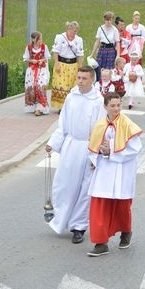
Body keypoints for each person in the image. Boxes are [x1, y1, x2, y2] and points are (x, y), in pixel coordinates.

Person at [45, 65, 105, 244]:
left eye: (84, 78)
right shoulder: (71, 97)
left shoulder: (98, 101)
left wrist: (96, 154)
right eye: (78, 78)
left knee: (84, 190)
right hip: (71, 146)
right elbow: (62, 123)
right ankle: (60, 217)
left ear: (92, 79)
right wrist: (53, 143)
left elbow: (100, 129)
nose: (80, 81)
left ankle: (78, 226)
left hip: (87, 147)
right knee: (64, 185)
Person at [86, 92, 143, 257]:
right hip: (104, 170)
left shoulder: (128, 124)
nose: (116, 108)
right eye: (112, 105)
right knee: (99, 204)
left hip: (121, 170)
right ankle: (100, 242)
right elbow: (92, 148)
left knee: (122, 206)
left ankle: (126, 232)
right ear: (105, 106)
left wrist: (110, 147)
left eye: (119, 105)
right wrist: (98, 154)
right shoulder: (99, 125)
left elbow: (134, 148)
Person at [51, 21, 84, 111]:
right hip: (62, 64)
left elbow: (80, 54)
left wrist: (80, 67)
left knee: (72, 86)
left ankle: (71, 106)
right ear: (68, 29)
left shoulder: (78, 40)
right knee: (62, 85)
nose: (75, 33)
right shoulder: (60, 37)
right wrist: (57, 63)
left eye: (76, 31)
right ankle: (61, 107)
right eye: (74, 31)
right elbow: (56, 51)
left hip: (73, 65)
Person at [23, 31, 51, 116]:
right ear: (34, 39)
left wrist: (41, 60)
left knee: (40, 86)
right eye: (39, 39)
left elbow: (47, 58)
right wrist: (32, 60)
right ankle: (33, 106)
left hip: (41, 69)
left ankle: (40, 107)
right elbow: (25, 58)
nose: (40, 41)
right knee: (32, 87)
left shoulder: (44, 47)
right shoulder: (29, 47)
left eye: (41, 39)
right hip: (32, 70)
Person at [89, 11, 120, 80]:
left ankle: (109, 84)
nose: (108, 21)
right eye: (107, 20)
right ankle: (99, 84)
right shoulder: (100, 28)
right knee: (99, 68)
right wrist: (92, 54)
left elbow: (117, 43)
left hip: (111, 51)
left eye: (110, 20)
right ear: (104, 20)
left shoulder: (115, 30)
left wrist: (118, 55)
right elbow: (97, 42)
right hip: (102, 50)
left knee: (109, 69)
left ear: (112, 20)